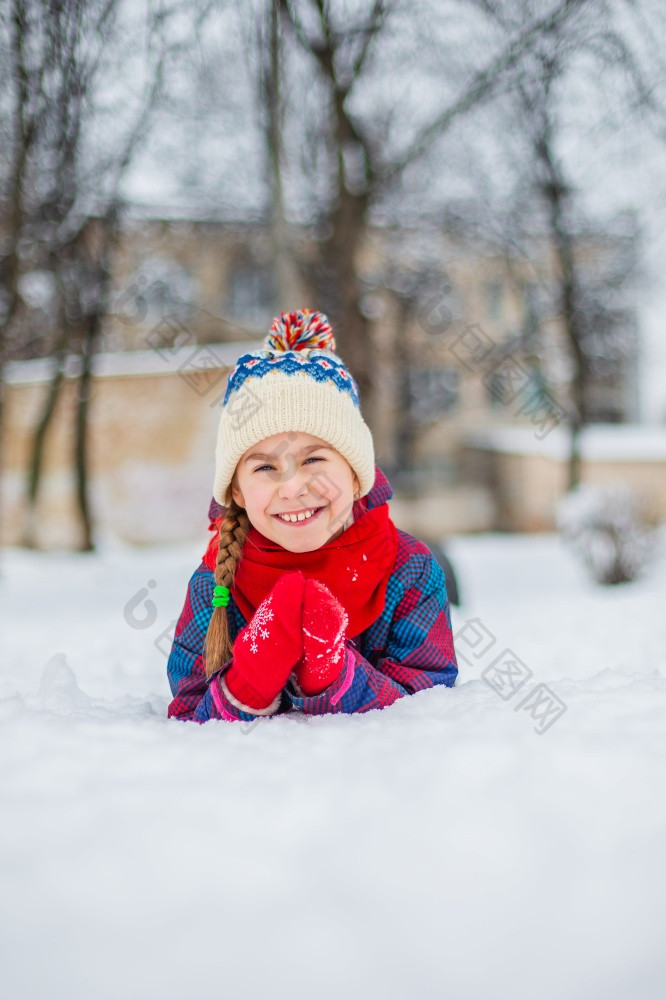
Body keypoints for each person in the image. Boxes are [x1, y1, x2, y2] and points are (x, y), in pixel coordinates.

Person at [167, 309, 458, 723]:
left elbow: (432, 703)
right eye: (265, 468)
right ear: (237, 491)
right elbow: (186, 711)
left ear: (358, 476)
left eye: (314, 459)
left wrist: (333, 673)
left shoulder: (409, 571)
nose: (292, 488)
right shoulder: (215, 583)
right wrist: (250, 682)